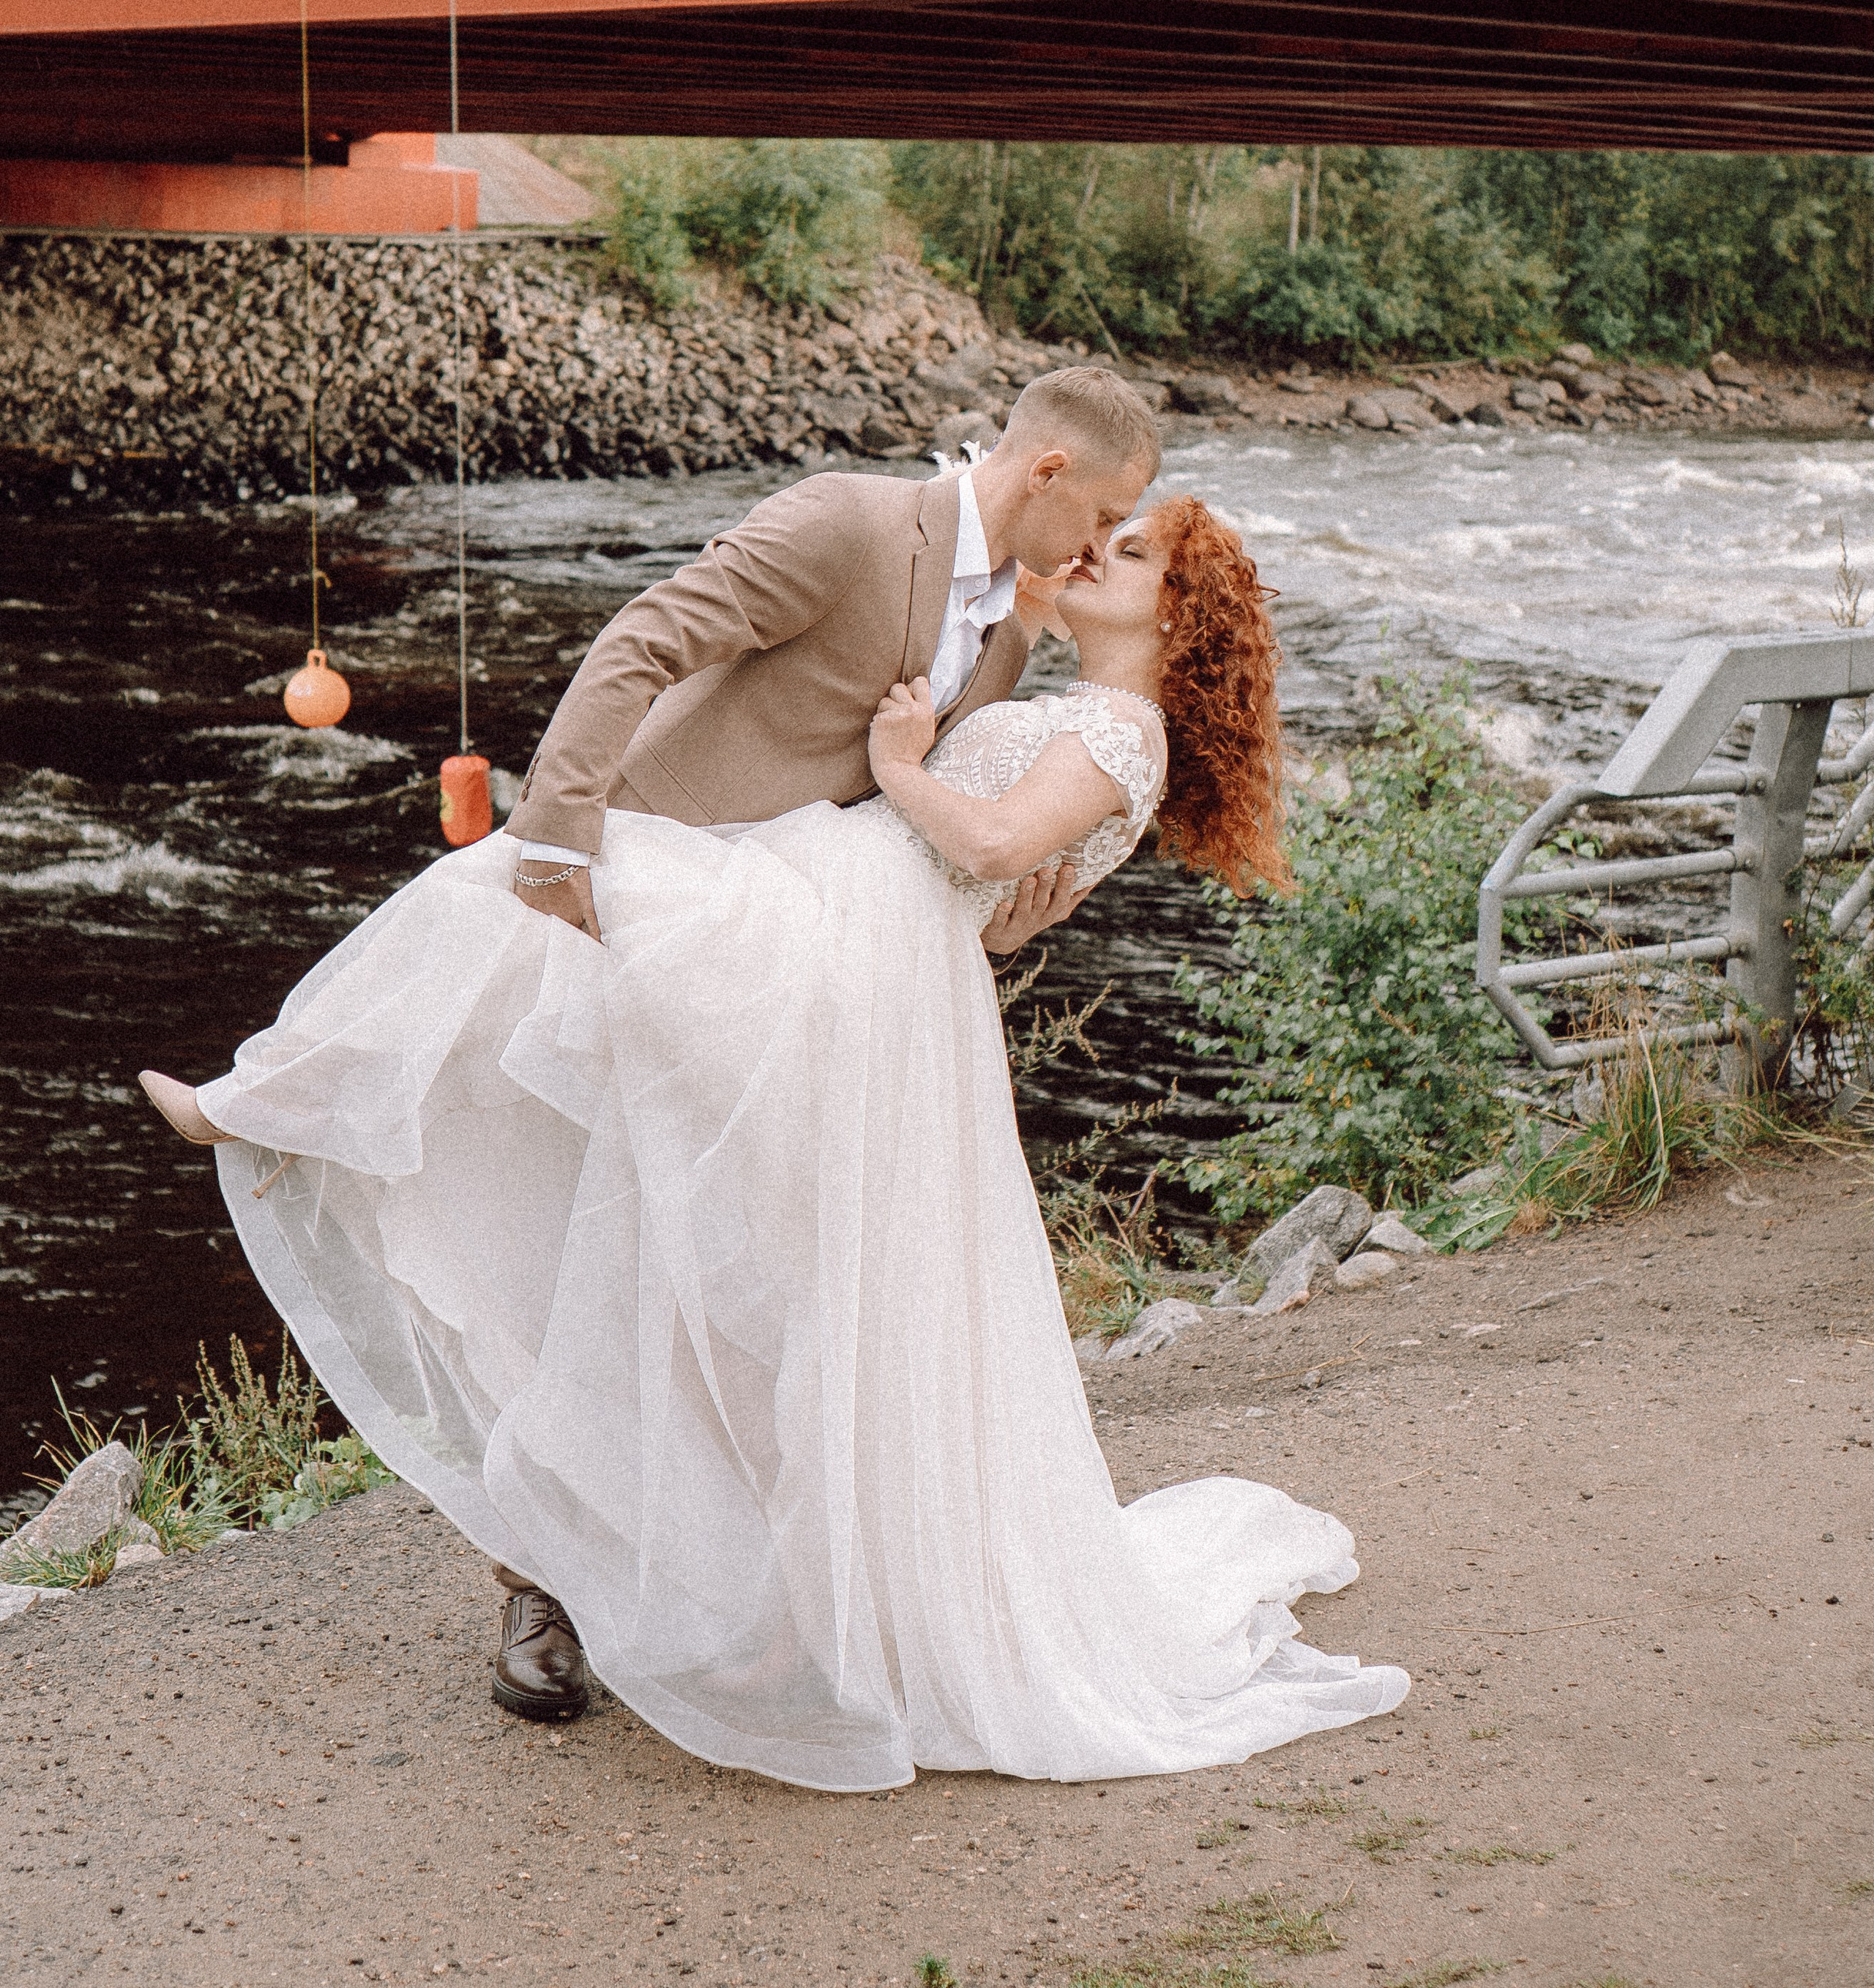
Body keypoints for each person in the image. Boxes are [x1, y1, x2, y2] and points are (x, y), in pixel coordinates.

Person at [142, 373, 1408, 1787]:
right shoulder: (862, 530)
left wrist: (927, 801)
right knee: (522, 934)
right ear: (1048, 470)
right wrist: (566, 832)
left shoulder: (1066, 677)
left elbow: (979, 850)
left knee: (735, 1281)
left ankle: (741, 1601)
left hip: (835, 961)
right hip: (781, 909)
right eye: (1102, 518)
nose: (1094, 548)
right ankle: (295, 1115)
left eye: (1128, 542)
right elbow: (648, 644)